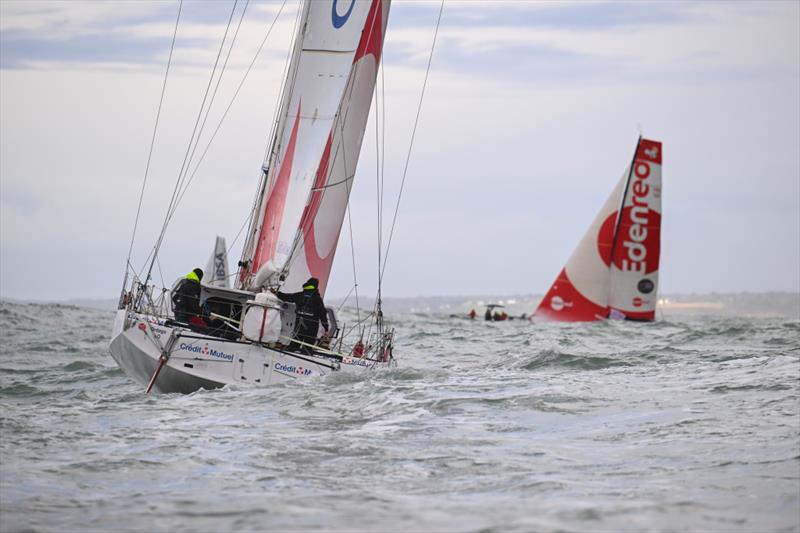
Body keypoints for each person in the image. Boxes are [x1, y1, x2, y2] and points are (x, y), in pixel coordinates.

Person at [274, 277, 329, 353]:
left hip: (299, 327)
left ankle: (288, 357)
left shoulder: (299, 295)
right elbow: (322, 314)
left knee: (293, 347)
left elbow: (287, 297)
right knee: (307, 350)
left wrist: (276, 293)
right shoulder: (317, 299)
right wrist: (326, 328)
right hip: (311, 330)